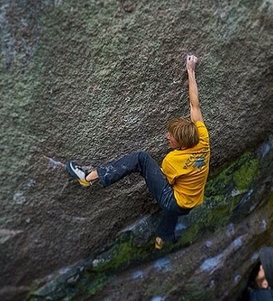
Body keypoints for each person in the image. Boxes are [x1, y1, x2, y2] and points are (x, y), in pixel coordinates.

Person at [65, 54, 210, 249]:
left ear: (182, 142)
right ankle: (163, 237)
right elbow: (195, 104)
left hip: (173, 201)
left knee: (141, 158)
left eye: (171, 137)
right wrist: (191, 70)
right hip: (190, 203)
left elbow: (164, 183)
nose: (167, 137)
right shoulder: (202, 138)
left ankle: (88, 177)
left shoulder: (173, 160)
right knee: (178, 200)